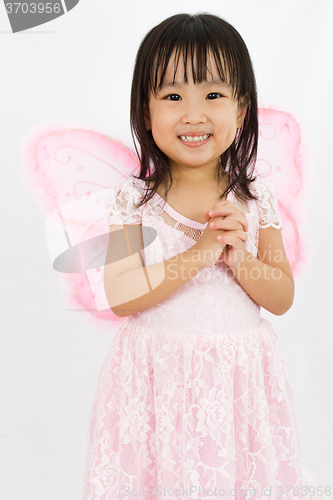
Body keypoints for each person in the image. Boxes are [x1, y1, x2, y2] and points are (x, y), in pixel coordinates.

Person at [82, 13, 328, 500]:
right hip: (156, 387)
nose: (193, 114)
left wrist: (239, 258)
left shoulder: (257, 203)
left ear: (241, 111)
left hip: (238, 391)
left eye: (213, 95)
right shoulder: (134, 202)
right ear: (145, 112)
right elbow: (121, 295)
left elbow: (280, 297)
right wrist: (201, 252)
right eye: (172, 96)